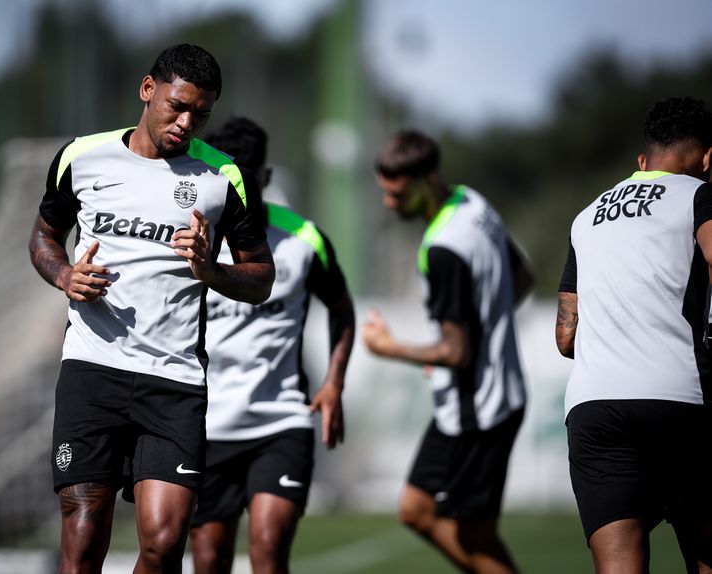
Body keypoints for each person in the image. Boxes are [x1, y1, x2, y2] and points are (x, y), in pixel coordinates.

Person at [28, 44, 275, 574]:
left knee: (163, 546)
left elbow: (260, 279)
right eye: (178, 106)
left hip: (174, 380)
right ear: (148, 90)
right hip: (92, 372)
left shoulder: (225, 178)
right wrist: (65, 275)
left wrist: (212, 271)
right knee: (84, 535)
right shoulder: (81, 157)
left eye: (201, 114)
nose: (186, 123)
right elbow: (45, 236)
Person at [188, 117, 356, 574]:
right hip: (206, 427)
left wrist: (334, 383)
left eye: (249, 178)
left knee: (267, 547)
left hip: (281, 422)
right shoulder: (193, 241)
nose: (240, 188)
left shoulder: (304, 239)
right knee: (208, 559)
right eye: (230, 178)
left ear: (266, 177)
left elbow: (342, 308)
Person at [362, 129, 532, 574]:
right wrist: (459, 345)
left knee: (473, 536)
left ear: (427, 180)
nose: (389, 202)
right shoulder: (472, 203)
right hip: (472, 401)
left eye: (396, 193)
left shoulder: (443, 249)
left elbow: (456, 353)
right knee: (415, 511)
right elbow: (523, 277)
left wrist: (388, 347)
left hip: (480, 411)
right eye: (385, 191)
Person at [556, 96, 712, 573]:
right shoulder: (697, 195)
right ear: (708, 157)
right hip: (680, 400)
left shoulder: (587, 217)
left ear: (642, 162)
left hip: (594, 407)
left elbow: (565, 337)